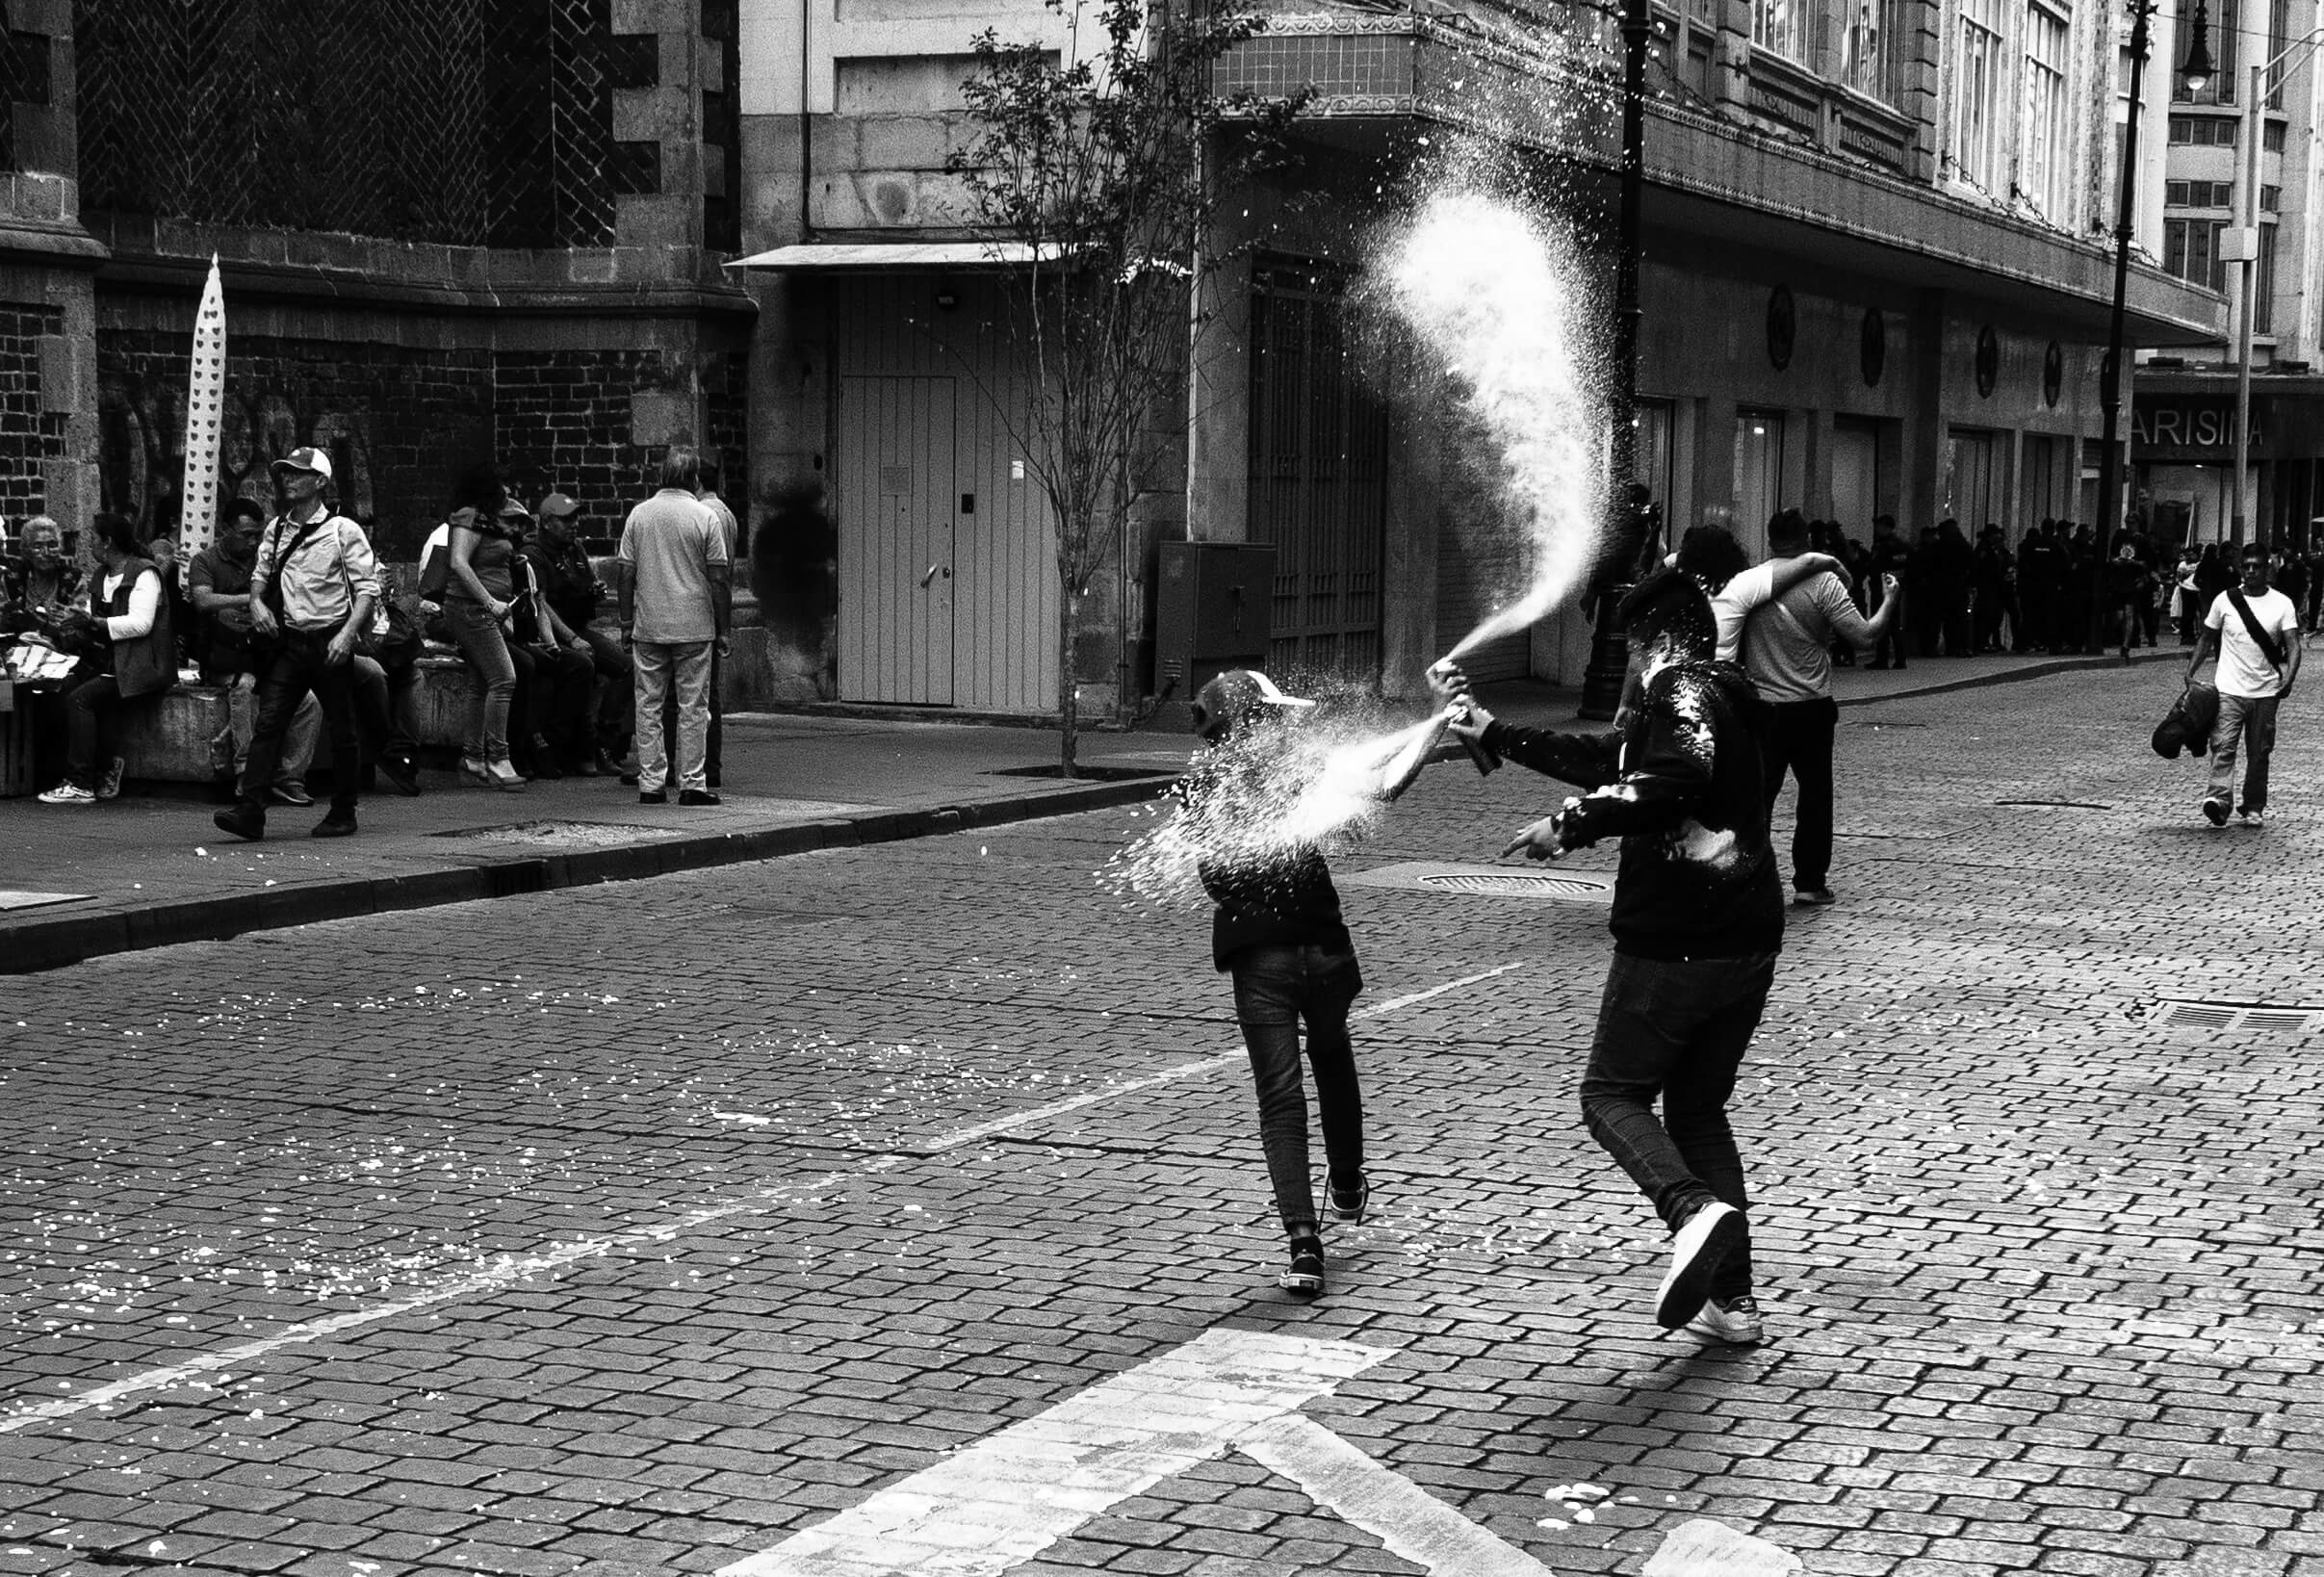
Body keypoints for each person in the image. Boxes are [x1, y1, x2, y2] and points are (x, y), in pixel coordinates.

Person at [1433, 568, 1786, 1345]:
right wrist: (1493, 732)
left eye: (1631, 645)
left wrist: (1570, 826)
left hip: (1679, 944)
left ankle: (1690, 1211)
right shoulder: (1734, 693)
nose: (1628, 662)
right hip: (1747, 940)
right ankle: (1733, 1303)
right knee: (1696, 1110)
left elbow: (1670, 776)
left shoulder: (1681, 692)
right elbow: (1613, 760)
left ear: (1656, 640)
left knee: (1610, 1096)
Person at [1187, 667, 1455, 1298]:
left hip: (1259, 960)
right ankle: (1349, 1175)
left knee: (1280, 1097)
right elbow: (1380, 791)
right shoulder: (1302, 768)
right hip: (1325, 948)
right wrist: (1438, 720)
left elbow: (1213, 876)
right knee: (1332, 1057)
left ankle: (1304, 1244)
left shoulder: (1199, 785)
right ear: (1258, 720)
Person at [210, 447, 379, 841]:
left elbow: (367, 590)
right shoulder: (277, 528)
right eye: (285, 472)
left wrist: (347, 635)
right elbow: (262, 573)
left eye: (298, 474)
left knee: (342, 728)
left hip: (329, 639)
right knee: (269, 722)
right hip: (291, 641)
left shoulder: (343, 531)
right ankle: (250, 810)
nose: (288, 479)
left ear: (320, 481)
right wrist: (256, 603)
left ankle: (343, 811)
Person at [1741, 511, 1901, 907]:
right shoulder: (1823, 583)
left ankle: (1746, 877)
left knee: (1758, 797)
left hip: (1762, 708)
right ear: (1807, 539)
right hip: (1810, 707)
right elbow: (1865, 637)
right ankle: (1810, 882)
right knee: (1814, 797)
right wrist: (1891, 599)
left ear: (1770, 539)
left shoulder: (1752, 582)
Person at [187, 496, 323, 807]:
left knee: (310, 702)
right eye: (245, 534)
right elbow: (203, 601)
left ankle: (289, 778)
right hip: (224, 658)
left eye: (256, 535)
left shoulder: (265, 557)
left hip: (264, 653)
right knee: (245, 688)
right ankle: (246, 774)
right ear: (227, 530)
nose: (252, 542)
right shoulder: (205, 561)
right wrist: (250, 601)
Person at [35, 513, 176, 806]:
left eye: (94, 539)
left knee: (81, 700)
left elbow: (140, 624)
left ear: (108, 541)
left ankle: (80, 782)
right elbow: (91, 620)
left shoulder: (144, 573)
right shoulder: (101, 575)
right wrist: (68, 623)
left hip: (138, 664)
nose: (90, 546)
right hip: (106, 660)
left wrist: (95, 622)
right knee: (61, 687)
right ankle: (100, 765)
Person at [618, 445, 731, 806]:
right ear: (694, 478)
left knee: (648, 704)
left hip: (650, 623)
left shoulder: (639, 515)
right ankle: (691, 782)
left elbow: (625, 574)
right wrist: (724, 628)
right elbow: (719, 580)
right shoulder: (704, 517)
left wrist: (625, 621)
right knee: (693, 707)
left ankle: (651, 782)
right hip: (694, 625)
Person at [2187, 542, 2301, 827]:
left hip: (2266, 692)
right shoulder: (2225, 600)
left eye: (2257, 566)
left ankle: (2253, 805)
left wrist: (2289, 677)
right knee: (2223, 745)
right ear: (2241, 568)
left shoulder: (2282, 604)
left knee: (2259, 752)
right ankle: (2219, 800)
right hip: (2229, 689)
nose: (2251, 571)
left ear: (2267, 569)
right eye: (2246, 566)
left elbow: (2293, 645)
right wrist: (2191, 670)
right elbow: (2206, 638)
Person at [496, 499, 597, 778]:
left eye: (519, 523)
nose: (514, 529)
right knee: (527, 666)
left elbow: (537, 603)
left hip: (534, 634)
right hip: (502, 635)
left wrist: (551, 641)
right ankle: (526, 748)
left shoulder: (523, 561)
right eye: (508, 522)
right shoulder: (514, 554)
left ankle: (571, 746)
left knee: (578, 663)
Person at [439, 472, 528, 790]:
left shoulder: (486, 521)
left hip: (482, 609)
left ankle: (473, 757)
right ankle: (498, 758)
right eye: (502, 488)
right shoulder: (469, 517)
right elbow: (459, 563)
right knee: (505, 678)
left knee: (481, 684)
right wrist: (491, 603)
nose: (508, 491)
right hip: (471, 608)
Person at [531, 491, 630, 774]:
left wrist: (594, 591)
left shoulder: (575, 550)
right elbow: (542, 604)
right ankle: (571, 747)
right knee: (583, 665)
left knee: (626, 666)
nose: (574, 524)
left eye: (576, 517)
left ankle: (606, 742)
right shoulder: (534, 554)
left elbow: (585, 585)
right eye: (566, 519)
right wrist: (572, 639)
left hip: (579, 627)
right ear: (548, 522)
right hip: (551, 632)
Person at [689, 450, 741, 788]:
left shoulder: (704, 513)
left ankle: (705, 764)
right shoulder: (725, 512)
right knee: (709, 695)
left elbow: (714, 573)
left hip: (702, 609)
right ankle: (711, 765)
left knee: (699, 696)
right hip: (713, 609)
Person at [1869, 516, 1910, 668]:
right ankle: (1900, 658)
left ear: (1885, 527)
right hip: (1896, 588)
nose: (1876, 529)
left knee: (1882, 623)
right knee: (1895, 623)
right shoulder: (1903, 545)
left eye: (1879, 526)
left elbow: (1874, 566)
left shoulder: (1883, 546)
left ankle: (1882, 659)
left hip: (1882, 588)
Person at [2104, 540, 2151, 663]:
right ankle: (2117, 639)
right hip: (2119, 591)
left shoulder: (2135, 565)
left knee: (2128, 617)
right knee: (2119, 617)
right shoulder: (2117, 563)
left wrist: (2139, 583)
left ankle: (2125, 645)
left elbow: (2144, 577)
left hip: (2129, 592)